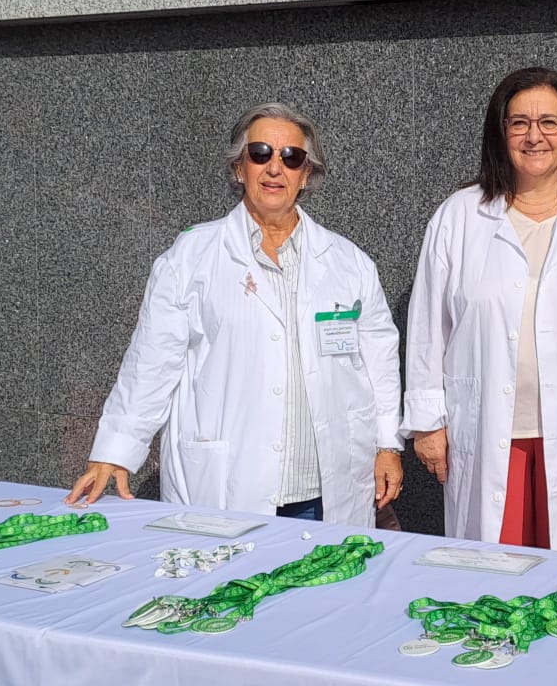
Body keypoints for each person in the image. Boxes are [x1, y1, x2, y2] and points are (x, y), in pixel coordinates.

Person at [67, 103, 404, 524]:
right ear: (239, 168)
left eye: (291, 157)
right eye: (260, 153)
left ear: (307, 174)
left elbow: (379, 361)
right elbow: (152, 361)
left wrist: (388, 444)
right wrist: (115, 454)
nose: (275, 168)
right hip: (229, 486)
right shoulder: (192, 256)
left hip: (328, 490)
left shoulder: (349, 262)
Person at [404, 67, 557, 556]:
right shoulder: (460, 216)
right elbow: (428, 328)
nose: (535, 136)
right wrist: (427, 423)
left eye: (550, 122)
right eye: (519, 123)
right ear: (500, 133)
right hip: (492, 435)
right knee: (498, 582)